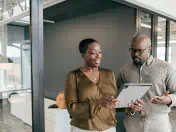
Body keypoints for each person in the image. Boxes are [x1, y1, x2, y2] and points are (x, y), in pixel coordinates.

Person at [64, 38, 143, 132]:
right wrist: (98, 103)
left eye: (100, 52)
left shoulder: (109, 73)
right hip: (84, 129)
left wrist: (131, 107)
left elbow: (115, 103)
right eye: (93, 53)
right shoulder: (73, 76)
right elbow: (72, 109)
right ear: (83, 55)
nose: (98, 56)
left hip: (109, 129)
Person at [117, 34, 176, 132]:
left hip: (158, 124)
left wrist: (168, 99)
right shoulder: (124, 70)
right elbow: (119, 98)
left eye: (139, 51)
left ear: (149, 49)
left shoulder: (165, 67)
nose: (135, 54)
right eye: (133, 50)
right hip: (132, 123)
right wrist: (130, 108)